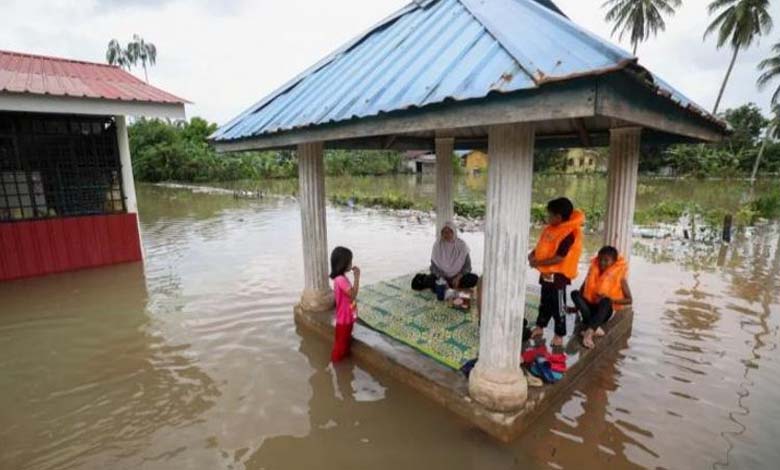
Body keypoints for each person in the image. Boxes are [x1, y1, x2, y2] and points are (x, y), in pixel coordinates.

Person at [529, 197, 585, 346]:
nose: (547, 218)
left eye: (549, 215)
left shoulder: (569, 233)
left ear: (558, 217)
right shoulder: (551, 229)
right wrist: (532, 255)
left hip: (558, 275)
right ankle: (540, 326)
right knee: (544, 301)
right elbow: (543, 246)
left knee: (558, 305)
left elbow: (560, 258)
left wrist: (537, 262)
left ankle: (559, 335)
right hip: (546, 274)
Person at [571, 246, 632, 349]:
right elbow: (582, 290)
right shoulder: (593, 271)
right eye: (600, 259)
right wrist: (576, 308)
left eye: (606, 260)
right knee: (574, 293)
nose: (602, 263)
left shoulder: (620, 277)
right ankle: (595, 328)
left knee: (606, 300)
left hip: (604, 311)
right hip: (590, 308)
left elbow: (629, 300)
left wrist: (612, 299)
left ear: (614, 262)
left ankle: (589, 333)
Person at [330, 246, 360, 363]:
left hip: (345, 318)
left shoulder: (341, 278)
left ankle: (343, 366)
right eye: (350, 261)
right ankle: (336, 365)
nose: (351, 263)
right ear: (343, 263)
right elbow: (353, 295)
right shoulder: (341, 280)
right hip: (344, 320)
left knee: (343, 342)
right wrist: (357, 277)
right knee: (341, 346)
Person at [430, 221, 479, 289]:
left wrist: (458, 277)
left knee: (474, 278)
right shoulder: (437, 245)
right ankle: (446, 286)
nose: (447, 234)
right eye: (444, 232)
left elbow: (468, 267)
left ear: (454, 232)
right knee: (430, 280)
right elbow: (433, 267)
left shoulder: (461, 245)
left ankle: (453, 285)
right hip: (442, 277)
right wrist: (442, 278)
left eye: (450, 231)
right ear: (441, 233)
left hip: (458, 277)